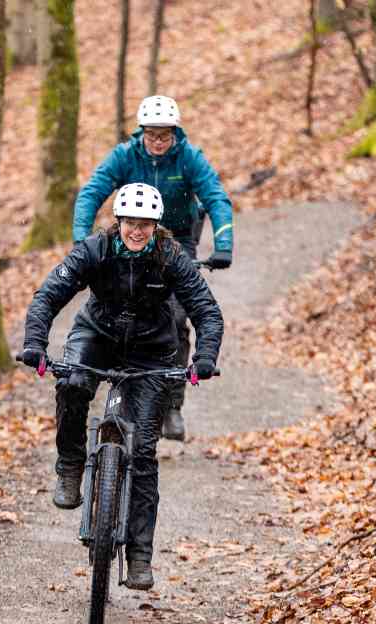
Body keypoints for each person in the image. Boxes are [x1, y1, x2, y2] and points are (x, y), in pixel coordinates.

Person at [19, 183, 224, 590]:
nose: (137, 230)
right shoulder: (95, 249)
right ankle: (71, 465)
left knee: (144, 451)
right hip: (97, 335)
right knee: (73, 384)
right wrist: (34, 343)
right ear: (119, 222)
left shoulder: (170, 256)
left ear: (155, 225)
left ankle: (139, 555)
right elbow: (48, 296)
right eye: (131, 222)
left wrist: (205, 357)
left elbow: (206, 309)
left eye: (145, 224)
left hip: (153, 350)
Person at [72, 95, 233, 441]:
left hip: (177, 243)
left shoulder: (189, 157)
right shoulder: (124, 156)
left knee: (175, 317)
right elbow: (91, 193)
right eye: (152, 135)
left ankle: (172, 403)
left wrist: (223, 245)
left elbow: (216, 197)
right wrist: (79, 238)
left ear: (176, 133)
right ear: (141, 133)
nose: (159, 143)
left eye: (165, 135)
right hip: (132, 237)